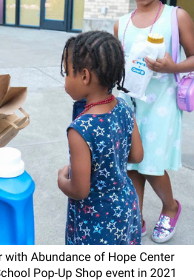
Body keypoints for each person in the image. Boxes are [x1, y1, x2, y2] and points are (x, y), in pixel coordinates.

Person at [114, 0, 194, 243]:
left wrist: (174, 66)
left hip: (161, 105)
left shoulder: (176, 16)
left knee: (151, 163)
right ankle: (137, 217)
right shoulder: (120, 24)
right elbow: (114, 66)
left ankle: (171, 208)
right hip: (129, 104)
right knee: (132, 164)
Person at [58, 31, 144, 245]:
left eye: (67, 73)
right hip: (125, 207)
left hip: (97, 221)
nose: (66, 80)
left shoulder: (80, 129)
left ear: (85, 76)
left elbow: (79, 190)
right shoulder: (123, 108)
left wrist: (62, 180)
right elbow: (137, 155)